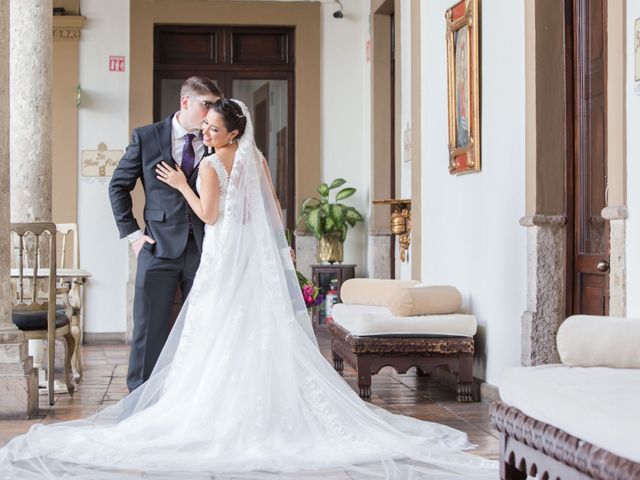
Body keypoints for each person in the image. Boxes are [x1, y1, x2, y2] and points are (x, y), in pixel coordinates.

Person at [0, 99, 497, 480]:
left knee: (216, 332)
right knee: (254, 330)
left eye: (214, 127)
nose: (205, 132)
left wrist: (181, 185)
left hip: (220, 257)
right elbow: (274, 209)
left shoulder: (213, 165)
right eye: (206, 125)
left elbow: (210, 216)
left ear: (231, 131)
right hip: (249, 260)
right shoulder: (254, 159)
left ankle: (215, 413)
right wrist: (272, 249)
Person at [108, 76, 221, 391]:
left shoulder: (216, 143)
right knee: (149, 330)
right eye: (206, 105)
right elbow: (118, 186)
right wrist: (133, 235)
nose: (212, 113)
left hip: (204, 249)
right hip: (156, 247)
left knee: (203, 327)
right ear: (186, 102)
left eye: (216, 106)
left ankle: (194, 398)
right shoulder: (147, 137)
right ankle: (138, 401)